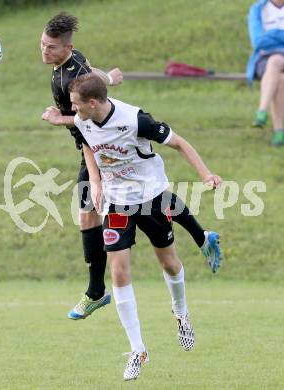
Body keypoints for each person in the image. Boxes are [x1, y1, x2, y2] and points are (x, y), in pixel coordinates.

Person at [40, 12, 221, 322]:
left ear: (67, 47)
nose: (44, 50)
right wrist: (108, 78)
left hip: (105, 146)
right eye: (42, 44)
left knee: (135, 201)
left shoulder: (69, 79)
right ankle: (201, 237)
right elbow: (92, 81)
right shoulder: (71, 62)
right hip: (92, 147)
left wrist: (60, 119)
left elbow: (84, 116)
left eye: (51, 47)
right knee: (105, 210)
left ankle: (96, 291)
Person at [68, 73, 222, 380]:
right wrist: (96, 182)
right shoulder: (83, 119)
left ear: (93, 102)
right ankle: (137, 349)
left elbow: (179, 142)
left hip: (151, 198)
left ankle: (181, 312)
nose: (73, 109)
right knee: (119, 272)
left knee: (168, 262)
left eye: (75, 103)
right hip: (116, 204)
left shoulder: (135, 120)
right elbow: (86, 142)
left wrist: (206, 174)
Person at [247, 0, 284, 146]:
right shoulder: (258, 9)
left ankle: (262, 110)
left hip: (274, 58)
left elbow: (264, 39)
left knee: (275, 60)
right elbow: (257, 41)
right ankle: (279, 132)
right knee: (280, 79)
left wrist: (272, 33)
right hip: (264, 59)